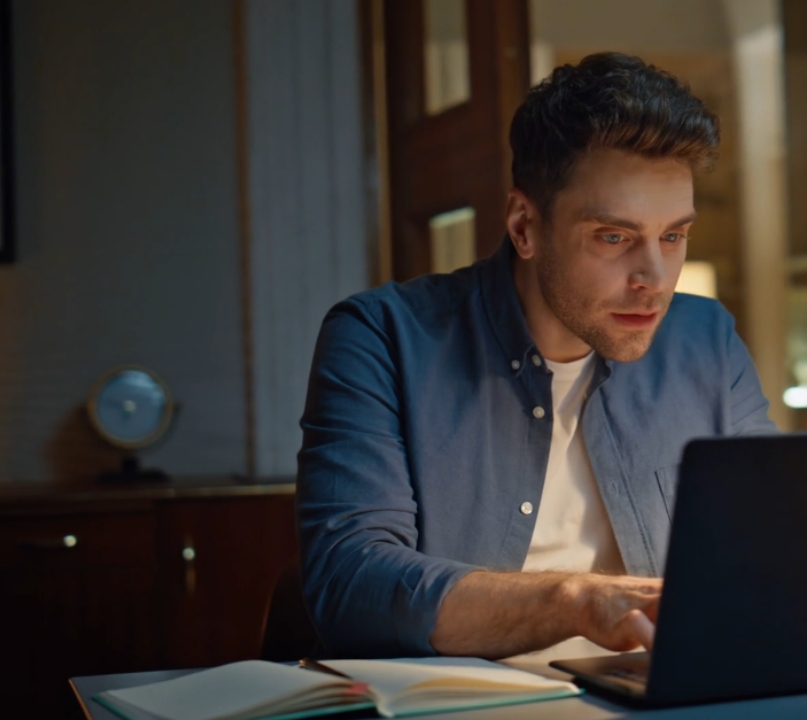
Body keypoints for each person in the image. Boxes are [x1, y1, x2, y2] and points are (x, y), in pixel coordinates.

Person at [297, 52, 775, 664]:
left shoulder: (705, 340)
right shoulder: (380, 337)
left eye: (673, 236)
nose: (654, 278)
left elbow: (771, 542)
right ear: (525, 226)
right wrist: (576, 601)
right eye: (614, 237)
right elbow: (351, 585)